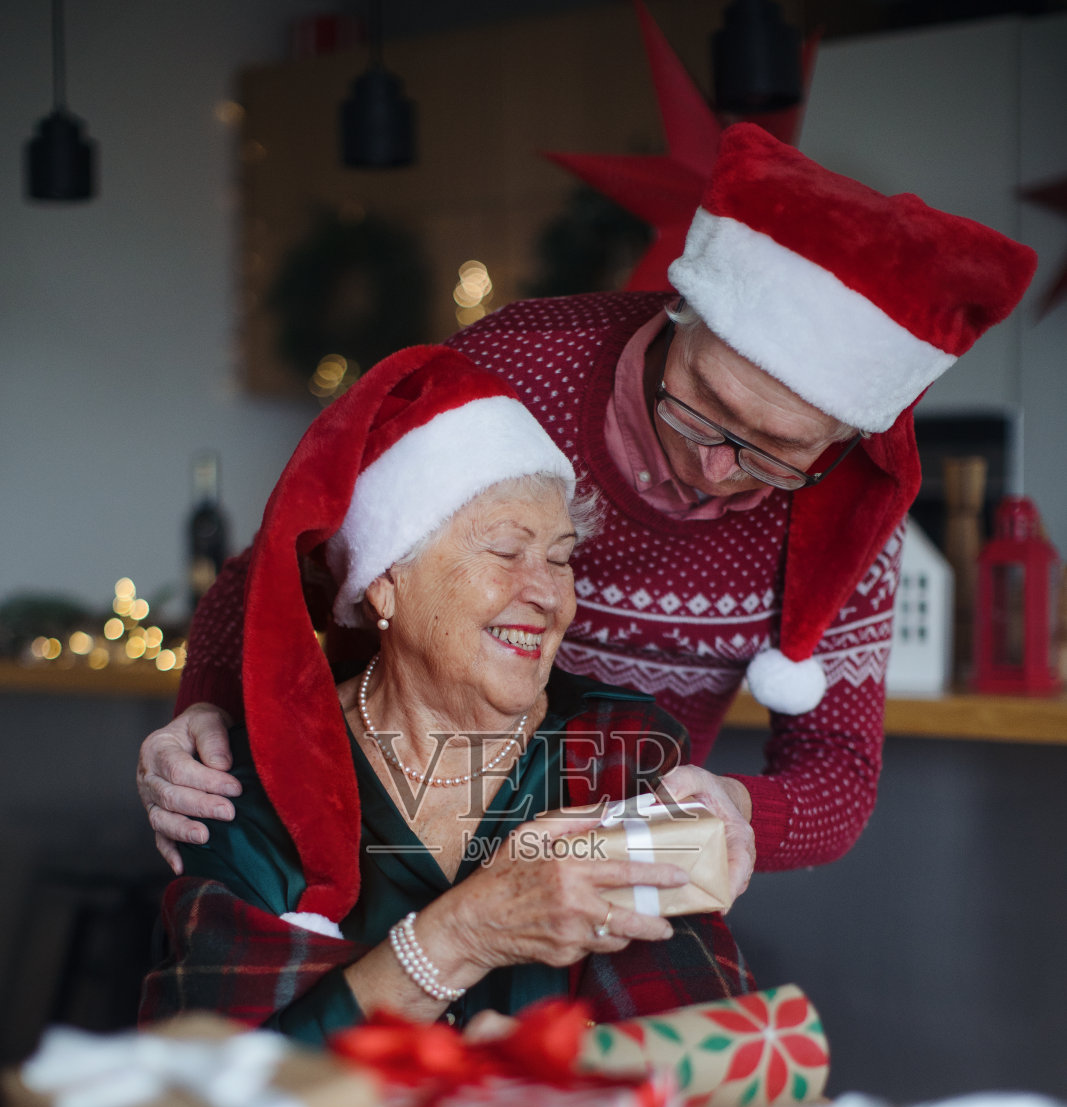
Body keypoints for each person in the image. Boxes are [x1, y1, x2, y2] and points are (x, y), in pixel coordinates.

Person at [137, 125, 1035, 880]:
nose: (718, 468)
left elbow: (835, 775)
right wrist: (203, 706)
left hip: (601, 866)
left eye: (776, 453)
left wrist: (734, 807)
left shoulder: (853, 507)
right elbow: (278, 567)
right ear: (678, 317)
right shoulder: (517, 368)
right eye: (703, 410)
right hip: (372, 827)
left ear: (839, 442)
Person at [140, 346, 755, 1043]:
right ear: (385, 580)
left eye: (559, 558)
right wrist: (461, 936)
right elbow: (206, 1100)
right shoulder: (252, 785)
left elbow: (706, 1048)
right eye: (504, 552)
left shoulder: (618, 753)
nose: (547, 593)